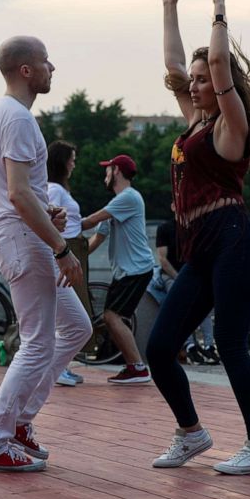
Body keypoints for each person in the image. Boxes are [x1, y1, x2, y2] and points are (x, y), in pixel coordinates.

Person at [146, 0, 250, 475]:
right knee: (160, 348)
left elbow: (221, 65)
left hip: (233, 242)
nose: (196, 84)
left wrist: (220, 7)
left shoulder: (230, 124)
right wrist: (168, 8)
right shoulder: (193, 122)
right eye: (197, 81)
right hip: (199, 250)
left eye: (204, 79)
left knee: (230, 345)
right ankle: (192, 433)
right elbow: (173, 67)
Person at [0, 35, 90, 473]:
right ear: (26, 70)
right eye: (45, 61)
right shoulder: (19, 118)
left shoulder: (2, 115)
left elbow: (23, 194)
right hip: (23, 238)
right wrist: (61, 248)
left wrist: (47, 210)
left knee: (75, 327)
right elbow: (17, 195)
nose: (52, 68)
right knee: (38, 341)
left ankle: (19, 422)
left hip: (21, 233)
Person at [82, 154, 155, 384]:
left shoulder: (129, 197)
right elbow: (97, 238)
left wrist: (62, 221)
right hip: (126, 271)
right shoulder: (115, 205)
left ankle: (138, 367)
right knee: (112, 317)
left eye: (108, 170)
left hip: (136, 269)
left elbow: (90, 221)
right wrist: (71, 256)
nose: (105, 174)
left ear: (117, 172)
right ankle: (133, 366)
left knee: (112, 316)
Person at [46, 140, 95, 387]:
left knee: (71, 312)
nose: (74, 164)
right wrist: (61, 252)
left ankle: (63, 366)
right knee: (67, 314)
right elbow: (50, 221)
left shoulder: (59, 188)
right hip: (65, 249)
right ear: (62, 162)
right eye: (72, 159)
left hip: (73, 248)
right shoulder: (54, 190)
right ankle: (58, 368)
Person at [153, 204, 218, 366]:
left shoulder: (196, 228)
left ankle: (209, 345)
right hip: (171, 275)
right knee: (181, 303)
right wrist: (179, 278)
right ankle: (189, 345)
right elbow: (162, 259)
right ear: (173, 207)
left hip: (194, 275)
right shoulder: (165, 228)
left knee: (205, 306)